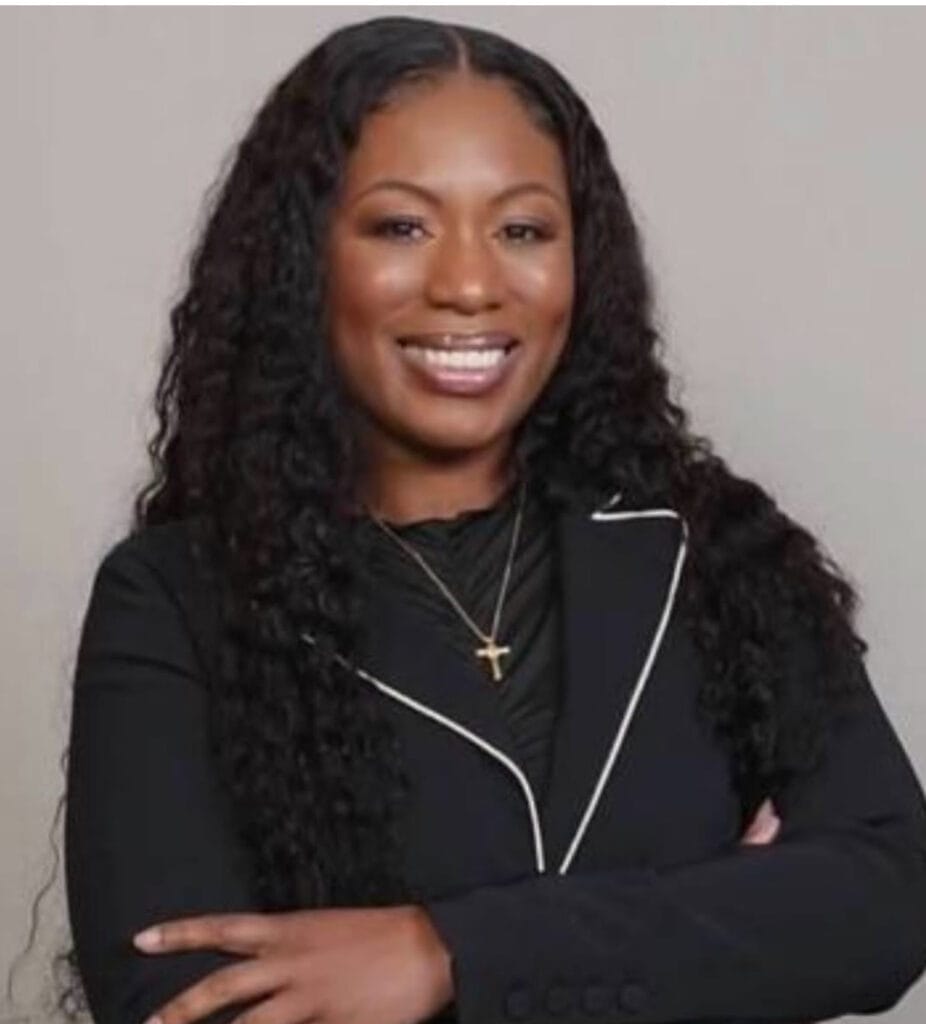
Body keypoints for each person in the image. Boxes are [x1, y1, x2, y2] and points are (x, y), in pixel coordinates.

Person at [54, 13, 926, 1024]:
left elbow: (887, 896)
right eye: (399, 226)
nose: (469, 283)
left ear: (577, 260)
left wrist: (443, 953)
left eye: (521, 229)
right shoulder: (175, 600)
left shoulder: (710, 546)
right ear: (303, 261)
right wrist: (720, 926)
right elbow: (190, 1004)